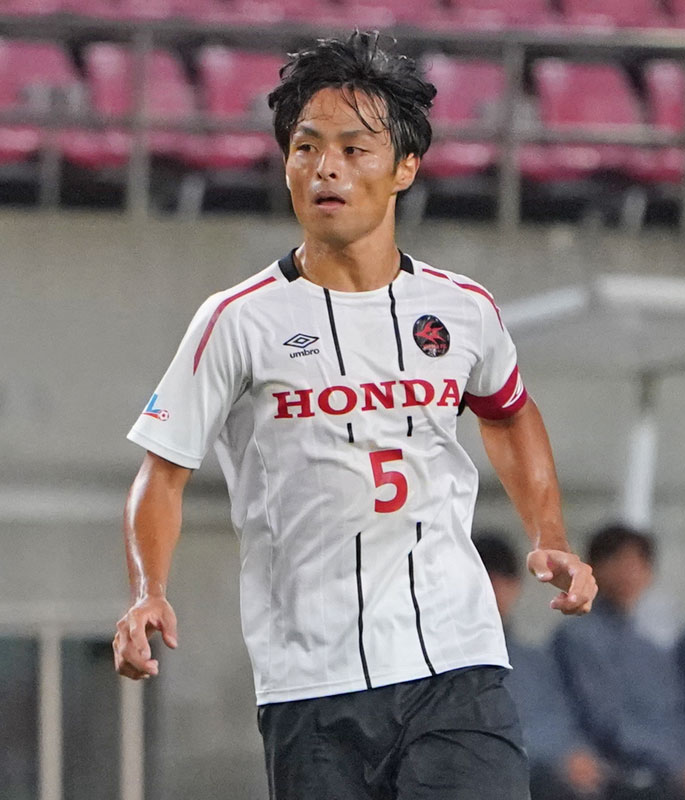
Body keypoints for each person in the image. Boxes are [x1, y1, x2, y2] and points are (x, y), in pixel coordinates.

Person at [112, 31, 597, 800]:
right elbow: (163, 471)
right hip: (310, 681)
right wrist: (148, 589)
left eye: (352, 148)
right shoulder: (235, 320)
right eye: (305, 147)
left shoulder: (461, 309)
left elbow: (507, 412)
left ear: (405, 166)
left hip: (455, 661)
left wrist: (549, 535)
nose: (325, 167)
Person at [553, 523, 685, 800]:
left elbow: (676, 715)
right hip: (618, 776)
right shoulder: (578, 637)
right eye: (617, 561)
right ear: (592, 569)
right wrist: (679, 764)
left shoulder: (651, 650)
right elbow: (606, 721)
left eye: (638, 563)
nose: (628, 572)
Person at [475, 531, 607, 800]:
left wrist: (575, 755)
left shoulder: (536, 660)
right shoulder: (450, 663)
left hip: (555, 772)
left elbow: (563, 719)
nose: (495, 590)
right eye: (486, 579)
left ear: (516, 586)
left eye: (504, 580)